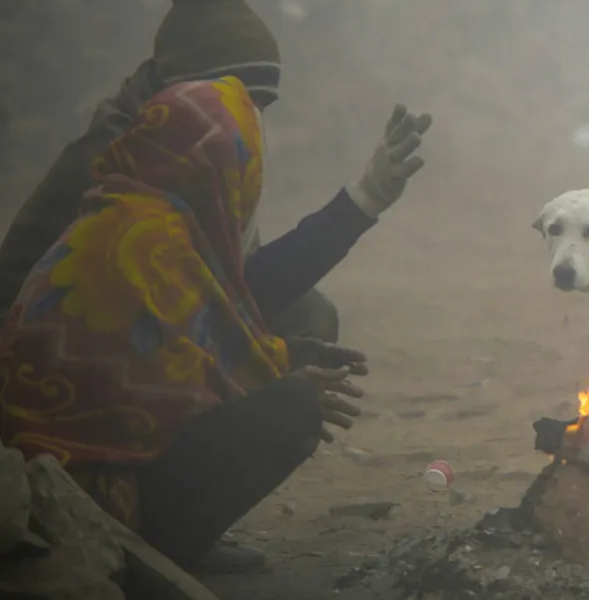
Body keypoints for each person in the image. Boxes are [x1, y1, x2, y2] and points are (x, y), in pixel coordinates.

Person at [0, 76, 430, 572]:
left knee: (295, 355)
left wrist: (366, 196)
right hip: (81, 509)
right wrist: (284, 384)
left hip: (60, 478)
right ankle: (155, 554)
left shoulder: (135, 211)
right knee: (293, 409)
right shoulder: (148, 246)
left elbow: (216, 322)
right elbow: (182, 392)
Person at [0, 0, 341, 344]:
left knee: (310, 316)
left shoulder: (203, 143)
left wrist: (361, 204)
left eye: (259, 105)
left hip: (161, 313)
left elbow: (239, 276)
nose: (250, 119)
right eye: (240, 101)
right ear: (191, 90)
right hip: (68, 340)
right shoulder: (116, 160)